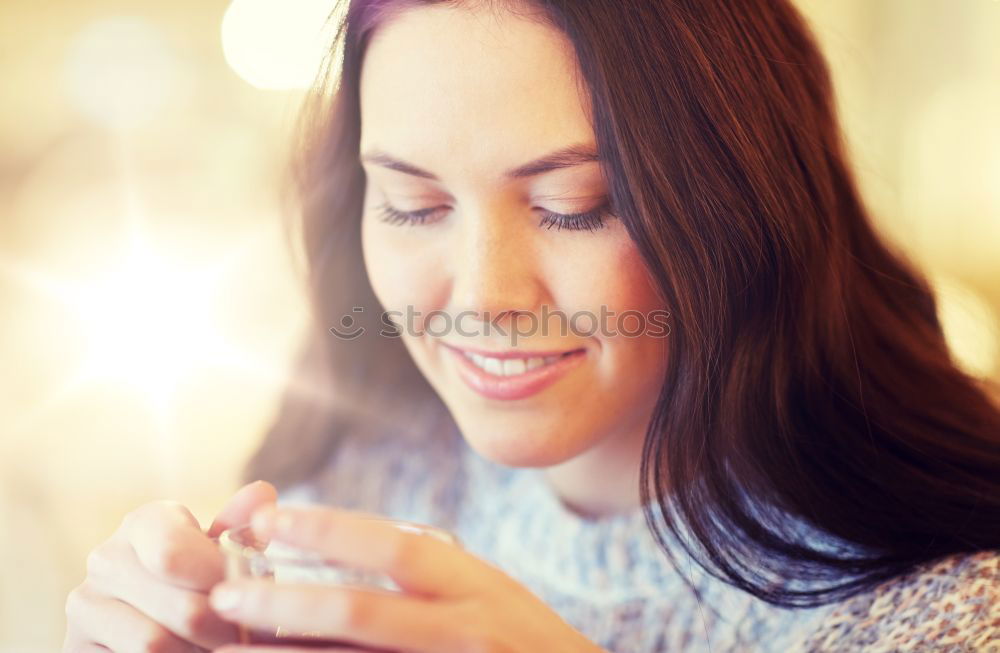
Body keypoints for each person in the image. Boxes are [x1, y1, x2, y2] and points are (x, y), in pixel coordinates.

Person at [64, 0, 1000, 651]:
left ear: (740, 205)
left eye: (574, 206)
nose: (480, 298)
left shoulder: (944, 606)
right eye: (412, 203)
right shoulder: (357, 489)